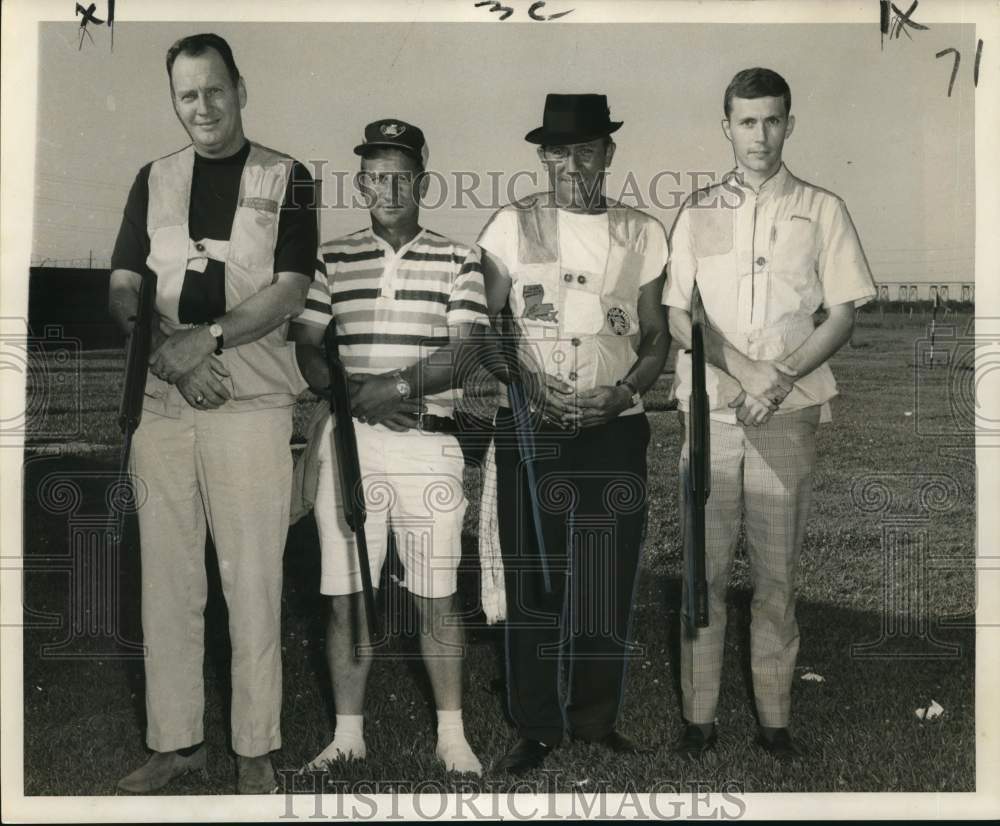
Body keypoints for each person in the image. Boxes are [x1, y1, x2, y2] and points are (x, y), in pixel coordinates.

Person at [108, 33, 317, 794]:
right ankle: (177, 741)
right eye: (188, 94)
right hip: (163, 404)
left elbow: (290, 289)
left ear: (240, 88)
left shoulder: (287, 177)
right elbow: (125, 287)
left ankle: (255, 747)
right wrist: (171, 350)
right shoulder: (152, 178)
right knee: (166, 581)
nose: (203, 106)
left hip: (251, 403)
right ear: (176, 100)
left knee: (252, 580)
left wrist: (210, 341)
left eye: (215, 90)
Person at [663, 67, 876, 761]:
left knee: (777, 578)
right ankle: (699, 718)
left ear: (790, 123)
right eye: (747, 121)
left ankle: (775, 720)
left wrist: (779, 378)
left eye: (773, 120)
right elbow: (678, 314)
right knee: (705, 571)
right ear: (726, 125)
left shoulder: (823, 209)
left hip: (788, 412)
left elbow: (841, 314)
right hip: (715, 409)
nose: (760, 134)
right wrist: (743, 372)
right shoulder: (695, 211)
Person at [477, 94, 671, 774]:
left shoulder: (643, 231)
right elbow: (481, 327)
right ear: (542, 155)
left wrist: (622, 393)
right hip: (533, 428)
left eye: (587, 148)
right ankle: (535, 725)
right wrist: (526, 384)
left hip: (612, 426)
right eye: (558, 151)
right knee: (534, 578)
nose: (572, 163)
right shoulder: (510, 225)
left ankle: (594, 720)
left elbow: (655, 336)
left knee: (604, 578)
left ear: (609, 153)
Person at [289, 119, 489, 775]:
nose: (388, 186)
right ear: (362, 182)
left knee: (436, 595)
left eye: (401, 174)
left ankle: (452, 737)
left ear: (422, 181)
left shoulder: (460, 259)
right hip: (352, 445)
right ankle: (349, 735)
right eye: (375, 175)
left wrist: (396, 384)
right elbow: (310, 348)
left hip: (429, 444)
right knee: (346, 594)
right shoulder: (333, 257)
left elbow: (463, 355)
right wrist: (357, 396)